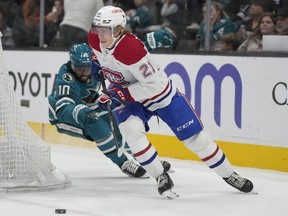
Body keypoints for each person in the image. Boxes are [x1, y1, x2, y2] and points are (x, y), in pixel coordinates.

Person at [88, 5, 254, 198]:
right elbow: (99, 55)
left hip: (159, 95)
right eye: (97, 28)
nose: (99, 34)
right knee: (131, 131)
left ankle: (229, 175)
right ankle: (160, 176)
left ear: (117, 30)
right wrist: (96, 65)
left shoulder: (131, 50)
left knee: (197, 140)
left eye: (104, 30)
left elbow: (152, 87)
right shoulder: (94, 38)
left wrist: (118, 95)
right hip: (126, 91)